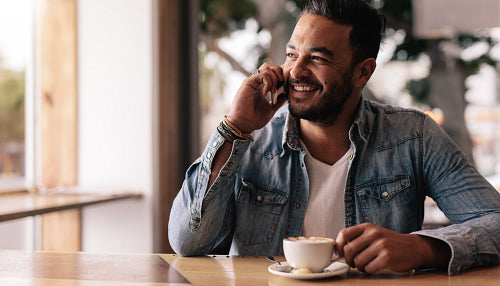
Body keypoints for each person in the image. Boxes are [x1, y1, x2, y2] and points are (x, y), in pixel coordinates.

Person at [169, 0, 500, 275]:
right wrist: (234, 127)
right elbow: (188, 242)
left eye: (317, 58)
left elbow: (495, 222)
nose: (296, 71)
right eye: (291, 54)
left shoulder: (413, 136)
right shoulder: (250, 139)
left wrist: (422, 248)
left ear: (363, 72)